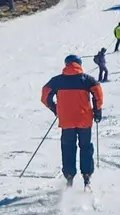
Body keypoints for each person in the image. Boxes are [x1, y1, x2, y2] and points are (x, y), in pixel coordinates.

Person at [41, 54, 104, 188]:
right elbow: (98, 93)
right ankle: (86, 175)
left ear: (66, 64)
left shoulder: (57, 80)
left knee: (68, 147)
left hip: (67, 121)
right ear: (79, 64)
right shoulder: (87, 80)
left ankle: (69, 176)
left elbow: (45, 95)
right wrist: (97, 112)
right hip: (84, 120)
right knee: (85, 147)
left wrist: (55, 109)